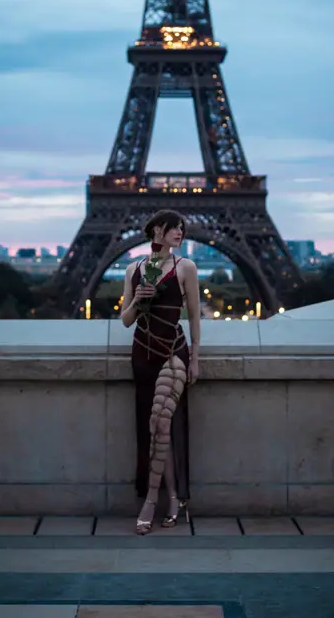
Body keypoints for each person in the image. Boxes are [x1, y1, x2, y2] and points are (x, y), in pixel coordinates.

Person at [120, 209, 201, 535]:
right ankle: (173, 498)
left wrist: (195, 358)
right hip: (143, 354)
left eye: (182, 228)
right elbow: (126, 320)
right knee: (152, 428)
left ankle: (151, 502)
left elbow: (194, 316)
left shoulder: (186, 267)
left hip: (173, 354)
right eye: (173, 228)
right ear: (156, 229)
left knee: (161, 423)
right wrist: (138, 300)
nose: (179, 232)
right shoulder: (134, 269)